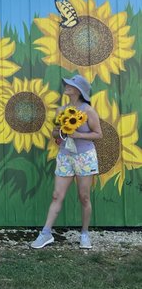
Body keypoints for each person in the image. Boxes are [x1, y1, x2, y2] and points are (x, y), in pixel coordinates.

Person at [31, 75, 103, 249]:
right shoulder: (60, 111)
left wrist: (78, 134)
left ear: (78, 91)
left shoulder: (88, 110)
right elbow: (55, 134)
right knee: (57, 195)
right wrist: (59, 133)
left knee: (84, 197)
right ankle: (46, 233)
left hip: (84, 157)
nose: (66, 86)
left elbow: (98, 134)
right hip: (65, 156)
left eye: (70, 85)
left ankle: (85, 234)